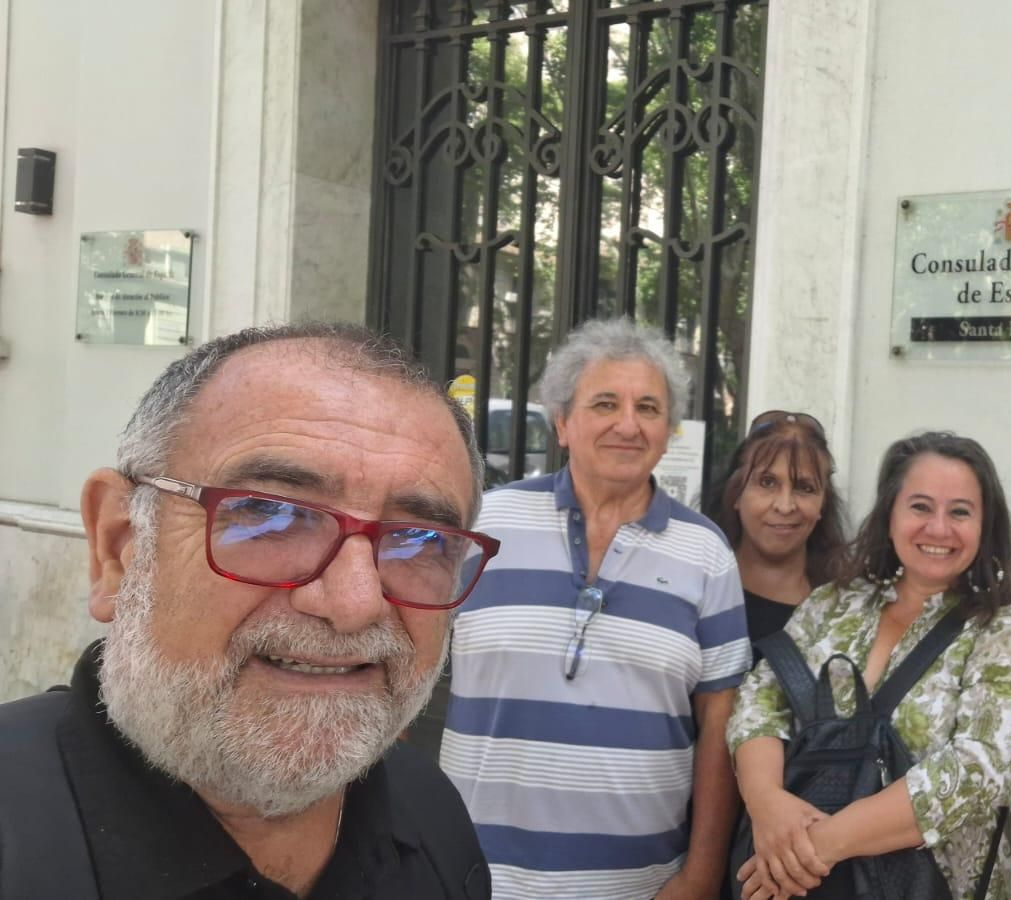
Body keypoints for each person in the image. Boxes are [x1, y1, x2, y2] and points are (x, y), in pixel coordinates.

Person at [0, 323, 497, 899]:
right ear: (118, 546)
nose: (355, 602)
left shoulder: (430, 814)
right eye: (270, 516)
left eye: (418, 541)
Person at [442, 317, 752, 899]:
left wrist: (701, 876)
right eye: (605, 403)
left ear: (669, 430)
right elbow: (403, 673)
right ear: (562, 421)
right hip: (475, 877)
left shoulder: (707, 554)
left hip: (642, 884)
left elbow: (720, 726)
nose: (627, 425)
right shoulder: (484, 526)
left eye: (649, 408)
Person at [727, 431, 1011, 900]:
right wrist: (767, 806)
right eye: (920, 507)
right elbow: (760, 701)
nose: (938, 529)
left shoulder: (1008, 634)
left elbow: (976, 771)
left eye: (960, 512)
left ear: (986, 527)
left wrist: (812, 849)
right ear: (890, 515)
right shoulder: (833, 604)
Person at [703, 409, 848, 653]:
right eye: (767, 483)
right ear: (736, 494)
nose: (785, 506)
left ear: (823, 502)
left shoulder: (845, 607)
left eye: (805, 487)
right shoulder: (694, 587)